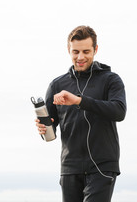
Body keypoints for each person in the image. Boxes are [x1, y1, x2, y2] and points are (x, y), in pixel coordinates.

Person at [35, 25, 127, 202]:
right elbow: (51, 129)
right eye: (75, 52)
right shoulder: (57, 85)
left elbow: (119, 111)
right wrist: (43, 127)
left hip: (102, 166)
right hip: (70, 168)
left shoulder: (111, 80)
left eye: (86, 51)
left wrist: (79, 100)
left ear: (96, 49)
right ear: (68, 50)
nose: (80, 57)